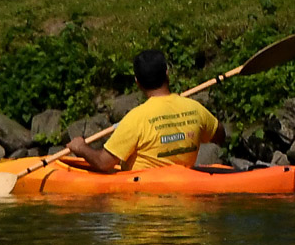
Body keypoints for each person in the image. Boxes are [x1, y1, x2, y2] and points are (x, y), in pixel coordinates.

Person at [66, 50, 219, 172]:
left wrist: (81, 148)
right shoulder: (195, 108)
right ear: (167, 74)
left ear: (137, 82)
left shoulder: (135, 119)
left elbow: (103, 163)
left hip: (143, 202)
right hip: (187, 198)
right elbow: (220, 136)